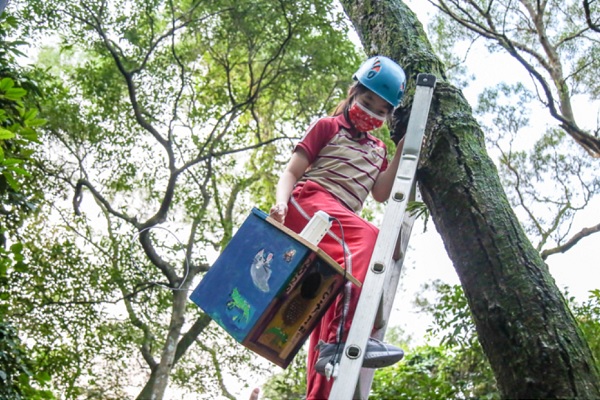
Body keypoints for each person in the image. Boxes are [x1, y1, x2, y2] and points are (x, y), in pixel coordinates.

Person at [270, 56, 408, 400]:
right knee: (370, 237)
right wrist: (281, 203)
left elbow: (380, 192)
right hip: (311, 204)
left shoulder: (378, 150)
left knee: (331, 294)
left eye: (380, 109)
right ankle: (338, 340)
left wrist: (405, 149)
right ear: (353, 93)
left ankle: (319, 390)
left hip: (342, 221)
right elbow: (291, 171)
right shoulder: (328, 126)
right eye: (366, 101)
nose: (370, 111)